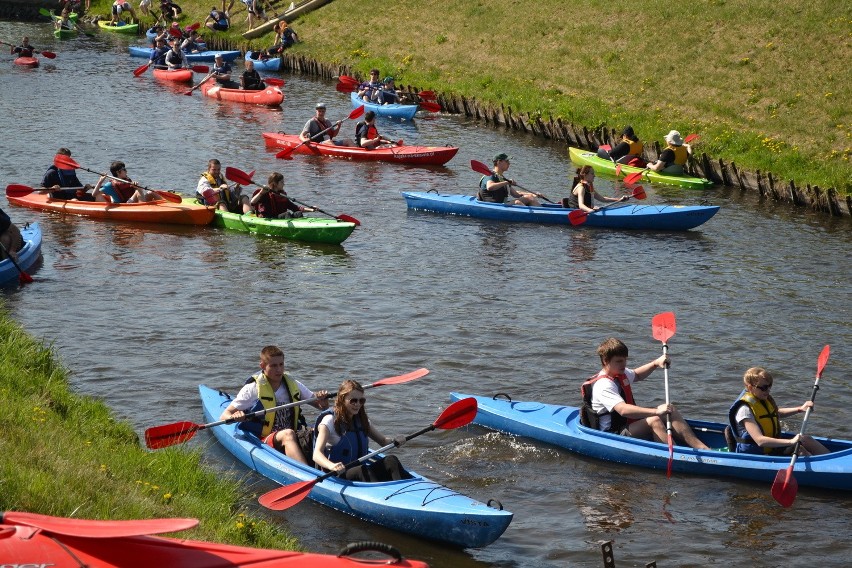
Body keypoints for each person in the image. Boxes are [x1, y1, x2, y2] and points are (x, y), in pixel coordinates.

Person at [580, 338, 710, 450]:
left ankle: (702, 448)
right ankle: (677, 456)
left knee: (669, 409)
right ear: (605, 361)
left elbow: (637, 374)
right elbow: (623, 410)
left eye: (625, 360)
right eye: (619, 361)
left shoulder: (619, 373)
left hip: (627, 424)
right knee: (654, 420)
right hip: (613, 433)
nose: (624, 364)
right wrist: (655, 412)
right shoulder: (604, 385)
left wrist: (655, 364)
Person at [219, 345, 329, 464]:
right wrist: (234, 417)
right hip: (265, 438)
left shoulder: (293, 384)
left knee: (322, 429)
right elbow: (225, 415)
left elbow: (321, 406)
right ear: (262, 366)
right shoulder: (252, 389)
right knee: (288, 434)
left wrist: (323, 401)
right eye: (274, 365)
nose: (279, 370)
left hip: (293, 433)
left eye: (281, 364)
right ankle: (308, 475)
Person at [312, 379, 411, 482]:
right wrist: (332, 466)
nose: (358, 404)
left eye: (361, 401)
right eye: (353, 400)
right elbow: (317, 454)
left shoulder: (362, 421)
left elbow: (383, 441)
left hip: (362, 472)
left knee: (391, 460)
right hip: (337, 475)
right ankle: (380, 495)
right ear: (342, 399)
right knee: (362, 470)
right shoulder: (329, 421)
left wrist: (396, 441)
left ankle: (404, 487)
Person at [728, 367, 830, 456]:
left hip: (772, 448)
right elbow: (760, 441)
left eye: (769, 386)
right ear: (750, 387)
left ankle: (829, 459)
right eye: (764, 388)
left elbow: (776, 414)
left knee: (805, 439)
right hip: (756, 454)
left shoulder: (763, 399)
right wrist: (790, 441)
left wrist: (800, 409)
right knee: (801, 450)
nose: (768, 390)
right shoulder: (744, 410)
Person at [476, 153, 540, 206]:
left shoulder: (501, 178)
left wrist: (533, 194)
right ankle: (533, 218)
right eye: (506, 161)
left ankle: (540, 214)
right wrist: (506, 182)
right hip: (493, 206)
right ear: (499, 162)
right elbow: (490, 187)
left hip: (502, 205)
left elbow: (515, 194)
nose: (509, 163)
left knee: (530, 197)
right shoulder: (490, 175)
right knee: (517, 202)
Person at [249, 172, 315, 219]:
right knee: (287, 214)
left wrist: (311, 209)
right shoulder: (265, 193)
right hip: (270, 218)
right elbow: (252, 202)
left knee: (298, 213)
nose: (284, 184)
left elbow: (295, 208)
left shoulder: (282, 195)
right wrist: (261, 192)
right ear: (275, 183)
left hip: (281, 217)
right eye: (282, 182)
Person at [563, 165, 628, 211]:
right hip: (576, 212)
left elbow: (603, 199)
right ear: (585, 175)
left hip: (585, 210)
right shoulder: (581, 188)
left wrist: (619, 199)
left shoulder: (589, 186)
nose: (594, 176)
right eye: (592, 174)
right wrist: (591, 211)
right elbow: (581, 205)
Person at [91, 161, 157, 203]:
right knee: (138, 191)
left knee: (151, 192)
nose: (126, 171)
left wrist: (136, 186)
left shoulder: (127, 180)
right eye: (124, 170)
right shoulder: (110, 185)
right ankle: (144, 209)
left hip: (133, 201)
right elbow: (94, 194)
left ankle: (167, 203)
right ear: (118, 172)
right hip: (125, 204)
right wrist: (100, 181)